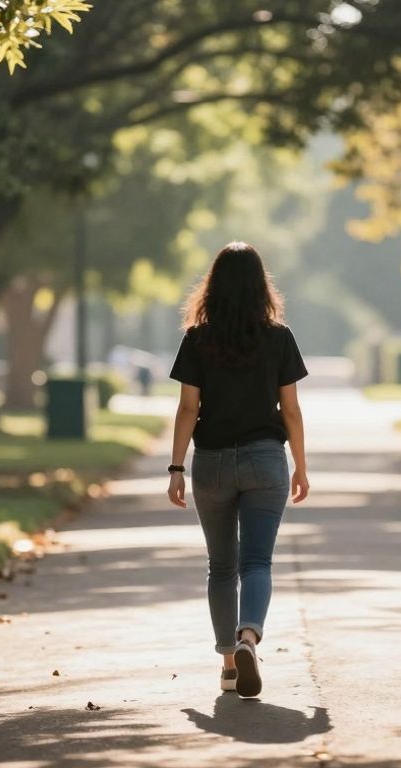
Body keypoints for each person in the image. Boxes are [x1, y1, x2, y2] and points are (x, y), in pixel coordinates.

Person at [167, 241, 309, 699]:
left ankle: (229, 664)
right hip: (266, 458)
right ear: (260, 286)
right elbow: (290, 410)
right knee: (257, 562)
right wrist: (301, 467)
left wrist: (175, 467)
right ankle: (250, 637)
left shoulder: (197, 339)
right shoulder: (279, 337)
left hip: (211, 463)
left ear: (213, 286)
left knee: (221, 566)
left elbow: (189, 408)